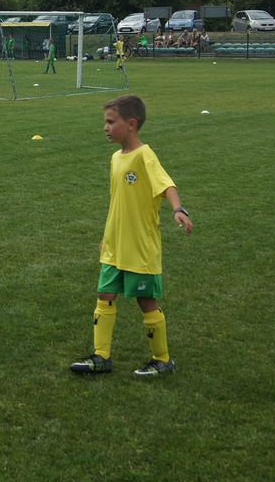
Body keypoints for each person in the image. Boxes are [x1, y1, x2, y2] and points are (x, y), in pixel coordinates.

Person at [70, 95, 193, 378]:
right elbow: (117, 202)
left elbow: (166, 185)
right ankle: (101, 357)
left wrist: (178, 209)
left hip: (139, 246)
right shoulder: (115, 158)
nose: (105, 127)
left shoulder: (144, 155)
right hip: (115, 244)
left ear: (131, 124)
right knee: (104, 295)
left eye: (111, 122)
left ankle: (162, 359)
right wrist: (107, 236)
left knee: (145, 300)